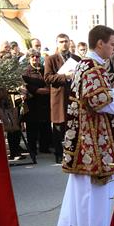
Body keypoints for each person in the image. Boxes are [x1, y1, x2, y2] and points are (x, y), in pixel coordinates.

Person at [57, 26, 114, 226]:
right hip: (95, 139)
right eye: (112, 44)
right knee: (95, 187)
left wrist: (113, 87)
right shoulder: (92, 68)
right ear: (100, 43)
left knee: (82, 187)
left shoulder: (86, 64)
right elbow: (97, 101)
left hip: (86, 135)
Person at [44, 33, 81, 164]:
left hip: (73, 96)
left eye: (66, 41)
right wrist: (65, 76)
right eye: (61, 42)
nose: (64, 44)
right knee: (59, 126)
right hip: (59, 96)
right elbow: (48, 78)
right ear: (57, 43)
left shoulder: (76, 58)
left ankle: (73, 152)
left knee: (73, 124)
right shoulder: (51, 59)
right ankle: (59, 154)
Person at [22, 49, 52, 162]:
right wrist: (37, 90)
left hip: (44, 102)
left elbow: (49, 81)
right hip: (33, 102)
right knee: (32, 127)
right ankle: (32, 149)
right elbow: (26, 85)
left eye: (37, 56)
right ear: (29, 58)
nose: (35, 58)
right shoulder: (26, 71)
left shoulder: (44, 70)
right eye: (32, 56)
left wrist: (47, 90)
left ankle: (44, 147)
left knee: (45, 125)